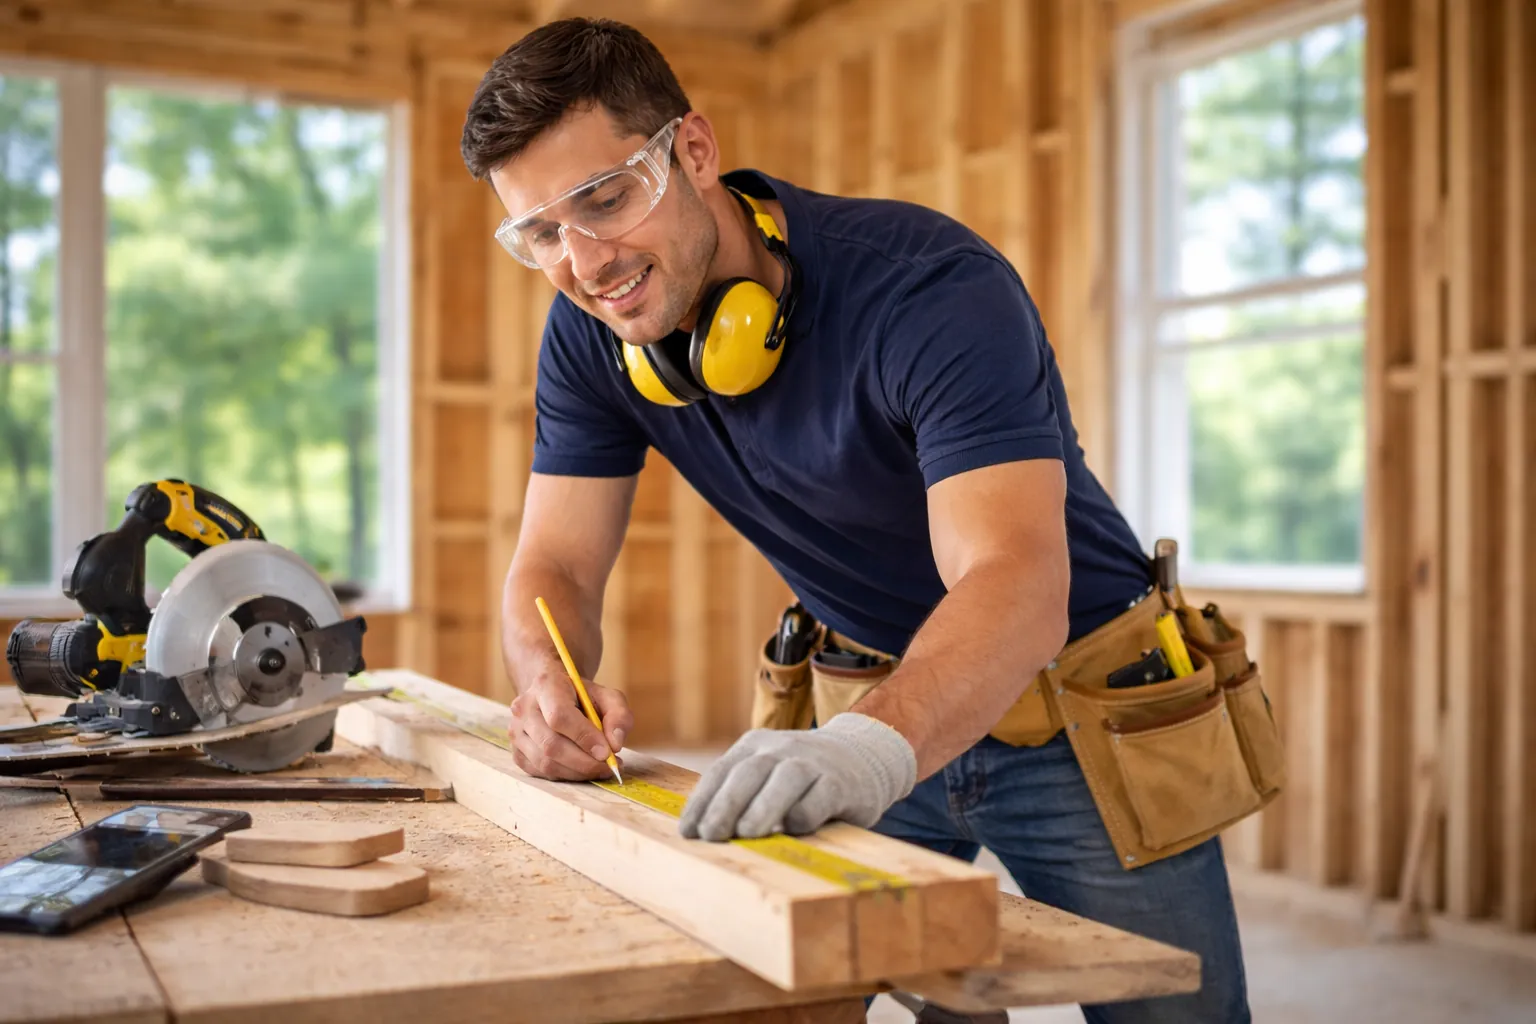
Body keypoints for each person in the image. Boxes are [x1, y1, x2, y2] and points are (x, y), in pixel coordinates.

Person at [462, 17, 1251, 1023]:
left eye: (605, 199)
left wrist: (865, 750)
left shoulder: (927, 290)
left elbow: (1015, 579)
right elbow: (556, 565)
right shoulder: (589, 335)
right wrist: (545, 686)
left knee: (1175, 1011)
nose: (584, 263)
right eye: (539, 234)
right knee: (776, 988)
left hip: (1084, 701)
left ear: (693, 151)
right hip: (862, 688)